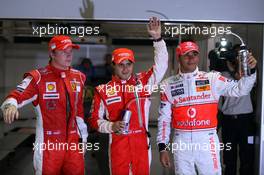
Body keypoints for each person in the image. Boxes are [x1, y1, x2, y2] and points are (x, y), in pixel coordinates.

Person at [156, 41, 257, 175]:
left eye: (194, 54)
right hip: (181, 141)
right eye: (186, 55)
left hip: (207, 140)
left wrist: (251, 71)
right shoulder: (167, 85)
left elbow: (240, 89)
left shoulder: (212, 79)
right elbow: (164, 119)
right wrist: (162, 147)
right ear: (178, 57)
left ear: (198, 57)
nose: (191, 58)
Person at [88, 17, 168, 175]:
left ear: (133, 64)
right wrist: (111, 126)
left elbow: (161, 65)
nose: (125, 69)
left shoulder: (143, 81)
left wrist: (157, 39)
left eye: (129, 64)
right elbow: (94, 120)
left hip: (141, 145)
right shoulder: (103, 90)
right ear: (113, 65)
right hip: (118, 146)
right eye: (121, 65)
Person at [1, 35, 88, 175]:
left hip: (73, 144)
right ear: (52, 53)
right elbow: (14, 97)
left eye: (70, 50)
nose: (69, 54)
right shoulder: (37, 78)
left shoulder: (79, 77)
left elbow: (79, 112)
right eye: (63, 51)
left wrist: (83, 138)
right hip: (48, 146)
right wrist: (10, 106)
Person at [219, 44, 256, 175]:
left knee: (247, 155)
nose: (237, 58)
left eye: (240, 55)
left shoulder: (250, 73)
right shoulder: (223, 75)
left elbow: (241, 78)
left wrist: (238, 65)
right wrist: (228, 65)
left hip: (246, 120)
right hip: (229, 120)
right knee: (229, 157)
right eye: (235, 55)